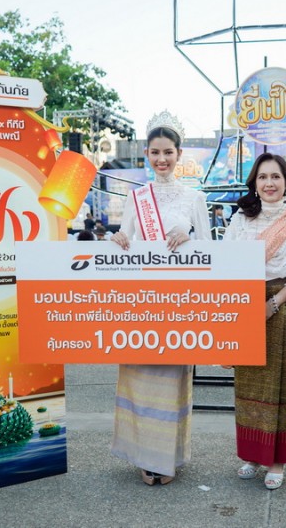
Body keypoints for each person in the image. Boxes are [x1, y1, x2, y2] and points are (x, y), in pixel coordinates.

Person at [109, 111, 212, 486]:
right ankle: (142, 455)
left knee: (171, 380)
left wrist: (190, 239)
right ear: (147, 154)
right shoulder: (136, 198)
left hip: (179, 303)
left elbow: (211, 251)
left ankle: (167, 459)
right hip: (141, 301)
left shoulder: (194, 198)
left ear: (179, 153)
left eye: (168, 151)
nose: (162, 159)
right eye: (155, 152)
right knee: (140, 378)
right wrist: (117, 240)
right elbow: (127, 242)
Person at [223, 153, 286, 490]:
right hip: (248, 309)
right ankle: (253, 453)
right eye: (263, 177)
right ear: (254, 182)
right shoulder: (240, 221)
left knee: (283, 386)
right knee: (249, 384)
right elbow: (228, 263)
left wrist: (274, 303)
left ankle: (278, 460)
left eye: (276, 177)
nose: (269, 183)